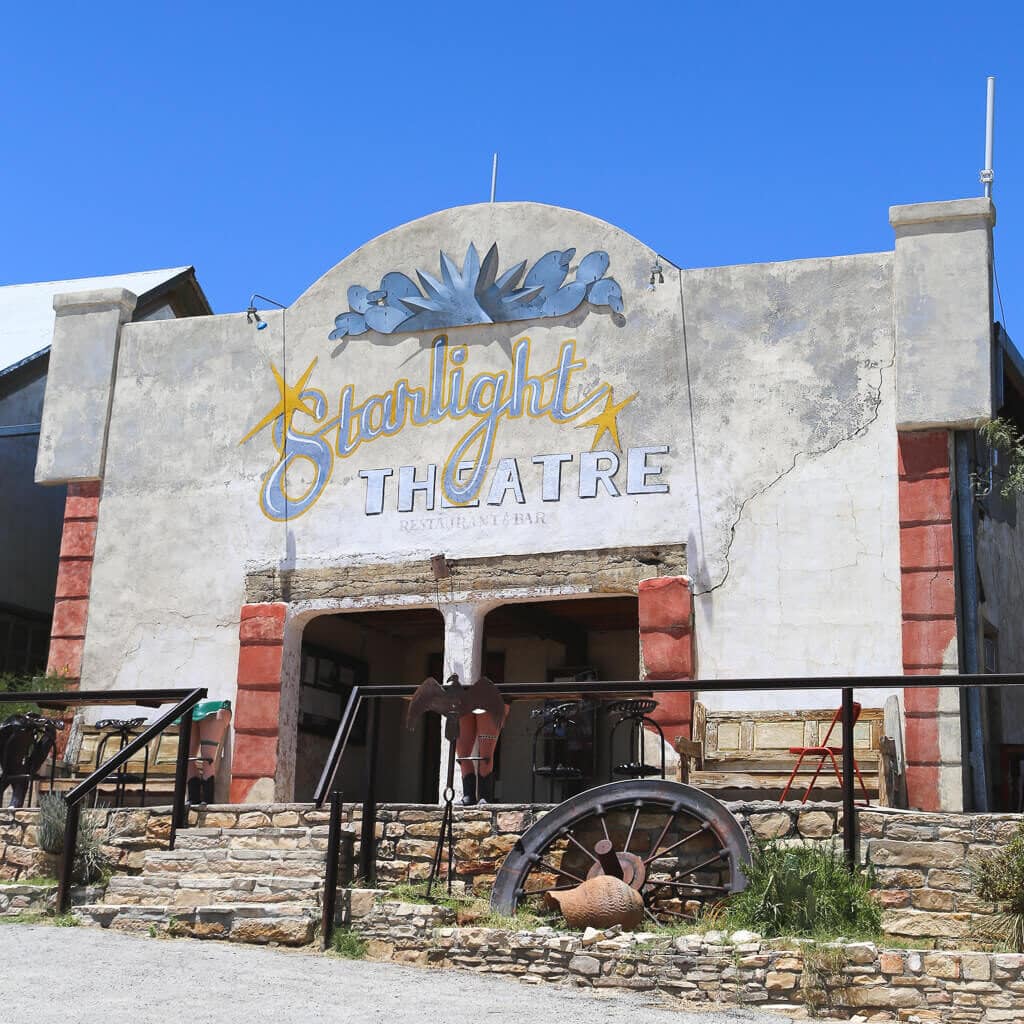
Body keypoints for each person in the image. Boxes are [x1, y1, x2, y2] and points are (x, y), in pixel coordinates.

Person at [456, 704, 508, 805]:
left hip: (489, 700)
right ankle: (468, 795)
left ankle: (485, 796)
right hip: (463, 699)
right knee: (463, 754)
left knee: (486, 755)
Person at [182, 700, 231, 805]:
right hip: (188, 705)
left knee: (207, 758)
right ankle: (193, 797)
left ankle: (207, 799)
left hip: (214, 706)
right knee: (187, 758)